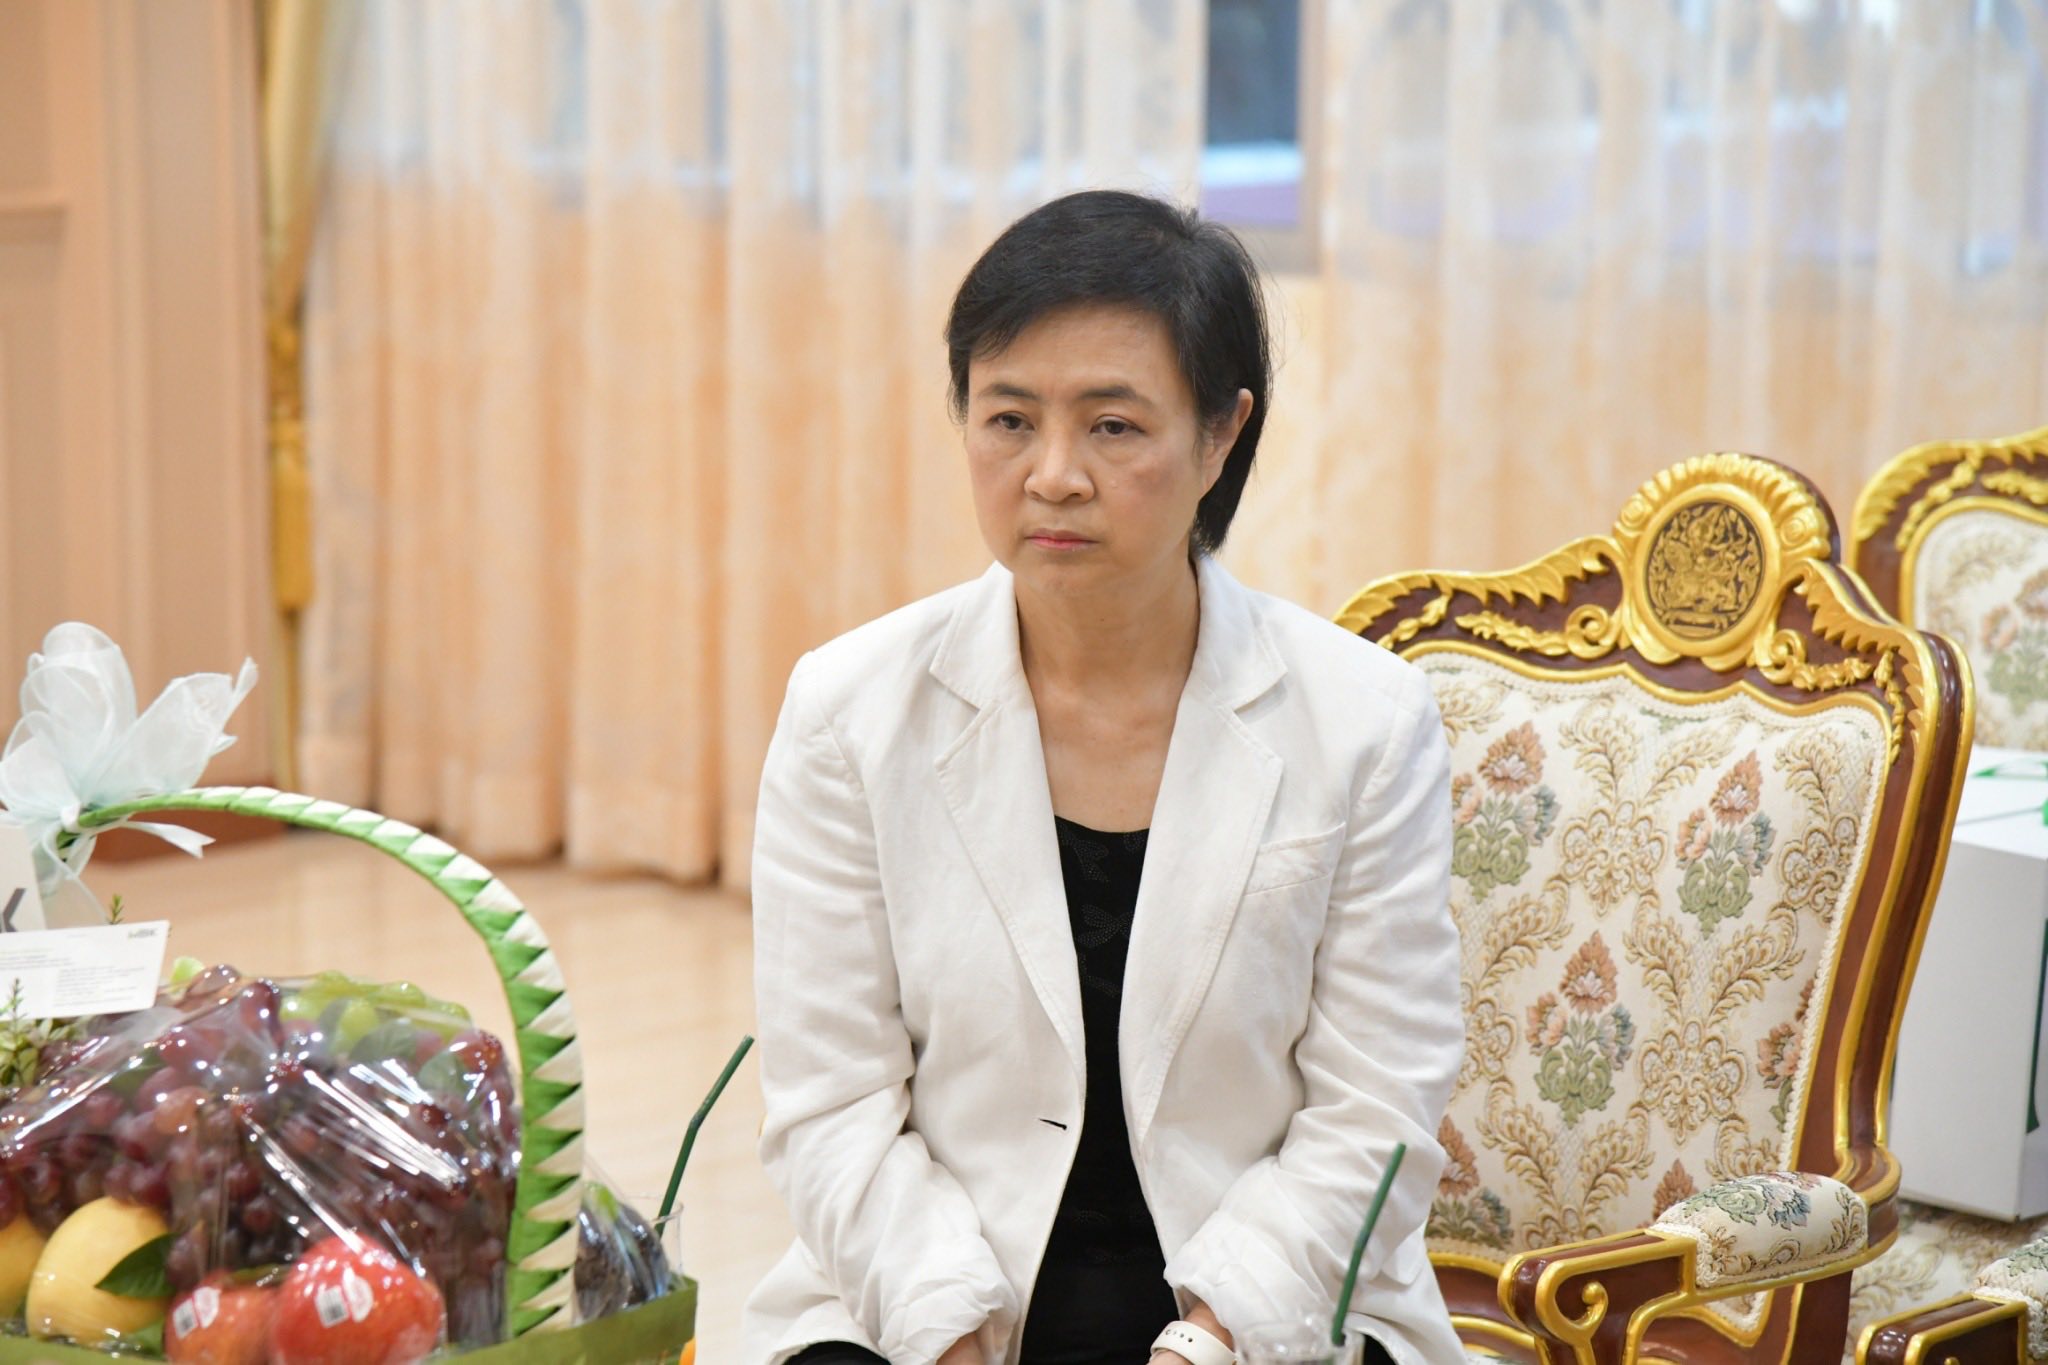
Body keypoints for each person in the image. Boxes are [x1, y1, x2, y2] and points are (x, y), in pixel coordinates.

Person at [742, 190, 1464, 1365]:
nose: (1052, 475)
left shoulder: (1364, 723)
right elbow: (833, 1108)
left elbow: (1376, 1114)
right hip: (937, 1298)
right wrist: (949, 1337)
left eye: (1113, 426)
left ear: (1220, 434)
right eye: (1007, 420)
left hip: (1262, 1312)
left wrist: (1212, 1341)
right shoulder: (847, 711)